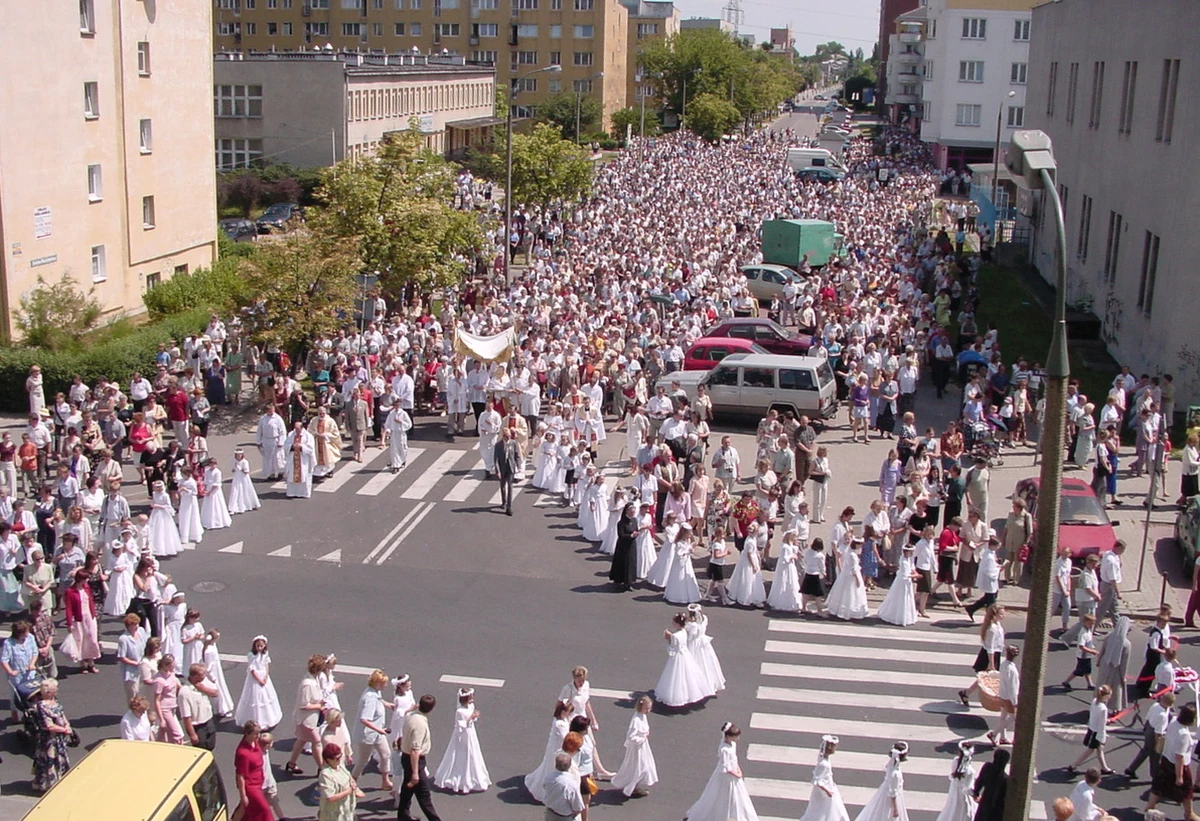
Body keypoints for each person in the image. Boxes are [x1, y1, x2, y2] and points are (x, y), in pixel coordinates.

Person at [684, 722, 758, 821]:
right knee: (721, 796)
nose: (737, 739)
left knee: (737, 796)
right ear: (728, 736)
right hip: (727, 777)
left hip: (734, 773)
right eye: (735, 736)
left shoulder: (732, 745)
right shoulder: (725, 750)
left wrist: (738, 769)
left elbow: (734, 760)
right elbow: (726, 768)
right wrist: (737, 774)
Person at [433, 687, 490, 793]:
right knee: (462, 754)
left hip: (471, 732)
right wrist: (472, 717)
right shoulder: (459, 711)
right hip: (462, 735)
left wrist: (474, 717)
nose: (473, 698)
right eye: (471, 697)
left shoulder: (470, 706)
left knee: (473, 753)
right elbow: (461, 725)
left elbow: (471, 721)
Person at [1145, 702, 1197, 819]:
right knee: (1187, 791)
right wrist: (1180, 776)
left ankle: (1150, 805)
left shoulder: (1173, 721)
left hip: (1166, 759)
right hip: (1178, 765)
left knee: (1158, 784)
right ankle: (1189, 813)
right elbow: (1179, 757)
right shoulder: (1184, 735)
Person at [397, 693, 441, 821]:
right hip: (414, 761)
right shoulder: (420, 724)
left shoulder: (411, 716)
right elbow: (415, 750)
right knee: (424, 794)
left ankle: (403, 815)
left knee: (407, 789)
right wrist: (415, 773)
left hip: (406, 757)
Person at [654, 612, 710, 707]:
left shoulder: (675, 636)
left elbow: (672, 649)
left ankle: (676, 696)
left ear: (677, 624)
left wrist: (668, 638)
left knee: (676, 676)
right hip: (685, 655)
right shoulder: (684, 632)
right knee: (688, 675)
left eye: (674, 622)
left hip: (678, 657)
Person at [351, 669, 394, 791]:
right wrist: (379, 730)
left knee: (386, 755)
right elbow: (364, 719)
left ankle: (385, 781)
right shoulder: (370, 698)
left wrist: (386, 704)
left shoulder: (375, 692)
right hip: (367, 735)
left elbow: (379, 700)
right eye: (384, 683)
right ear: (377, 683)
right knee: (363, 760)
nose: (386, 685)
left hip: (377, 733)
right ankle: (352, 782)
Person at [285, 654, 328, 775]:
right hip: (306, 720)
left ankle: (291, 763)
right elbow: (304, 705)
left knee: (302, 740)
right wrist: (319, 706)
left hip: (310, 719)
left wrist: (320, 702)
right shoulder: (308, 684)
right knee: (317, 742)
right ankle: (322, 768)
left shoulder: (312, 680)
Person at [30, 678, 73, 793]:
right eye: (55, 688)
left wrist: (67, 725)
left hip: (60, 738)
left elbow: (62, 715)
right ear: (49, 692)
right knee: (49, 760)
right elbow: (48, 725)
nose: (57, 690)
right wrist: (64, 729)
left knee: (61, 759)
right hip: (49, 739)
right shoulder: (42, 706)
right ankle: (48, 784)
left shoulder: (56, 701)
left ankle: (61, 780)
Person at [612, 696, 658, 798]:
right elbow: (631, 736)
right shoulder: (636, 720)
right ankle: (632, 788)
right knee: (640, 768)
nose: (648, 711)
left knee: (641, 767)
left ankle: (633, 787)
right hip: (637, 749)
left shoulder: (642, 716)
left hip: (642, 747)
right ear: (641, 707)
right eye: (647, 708)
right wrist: (642, 738)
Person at [526, 700, 571, 803]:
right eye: (568, 711)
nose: (569, 713)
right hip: (557, 748)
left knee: (548, 766)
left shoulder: (559, 719)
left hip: (554, 746)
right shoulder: (560, 724)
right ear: (563, 711)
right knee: (552, 767)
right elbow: (565, 738)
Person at [235, 635, 283, 729]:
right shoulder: (251, 655)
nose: (260, 648)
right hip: (255, 678)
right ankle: (255, 720)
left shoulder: (265, 653)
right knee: (255, 697)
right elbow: (252, 670)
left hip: (264, 676)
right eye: (258, 646)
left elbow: (266, 664)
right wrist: (259, 680)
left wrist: (265, 676)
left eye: (261, 646)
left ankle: (267, 719)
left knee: (266, 696)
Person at [854, 742, 910, 821]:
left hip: (884, 792)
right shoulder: (895, 774)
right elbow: (893, 793)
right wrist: (895, 808)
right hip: (891, 798)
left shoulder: (891, 765)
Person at [798, 734, 849, 821]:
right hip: (824, 792)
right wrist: (827, 791)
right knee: (824, 808)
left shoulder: (825, 759)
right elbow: (817, 781)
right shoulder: (823, 764)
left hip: (829, 786)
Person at [1127, 690, 1174, 781]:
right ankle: (1155, 775)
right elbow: (1158, 733)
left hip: (1149, 728)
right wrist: (1158, 744)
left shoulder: (1155, 705)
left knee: (1145, 751)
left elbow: (1148, 718)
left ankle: (1131, 768)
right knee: (1155, 756)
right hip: (1154, 734)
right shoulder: (1162, 716)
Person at [1067, 685, 1114, 775]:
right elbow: (1101, 726)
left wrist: (1105, 720)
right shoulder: (1103, 709)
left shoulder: (1094, 702)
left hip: (1091, 729)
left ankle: (1104, 768)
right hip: (1096, 733)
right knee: (1091, 750)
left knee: (1099, 750)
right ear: (1106, 696)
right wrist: (1102, 738)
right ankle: (1073, 765)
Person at [235, 721, 273, 821]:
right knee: (264, 810)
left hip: (258, 782)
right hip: (251, 786)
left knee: (247, 810)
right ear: (247, 733)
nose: (258, 736)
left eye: (259, 733)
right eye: (255, 734)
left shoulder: (254, 743)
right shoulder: (243, 753)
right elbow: (240, 776)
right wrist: (243, 796)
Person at [878, 543, 918, 626]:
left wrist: (914, 572)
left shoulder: (908, 559)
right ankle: (899, 616)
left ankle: (907, 616)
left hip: (906, 582)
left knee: (907, 597)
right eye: (911, 552)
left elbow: (912, 567)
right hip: (903, 583)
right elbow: (906, 575)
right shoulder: (903, 561)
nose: (912, 553)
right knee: (901, 598)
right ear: (906, 552)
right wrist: (917, 575)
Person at [180, 663, 219, 750]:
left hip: (208, 720)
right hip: (198, 726)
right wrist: (192, 735)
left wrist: (204, 689)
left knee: (211, 745)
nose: (204, 676)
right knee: (201, 749)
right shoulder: (185, 692)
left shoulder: (203, 682)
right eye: (202, 674)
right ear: (194, 676)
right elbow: (186, 717)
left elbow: (216, 693)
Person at [934, 742, 975, 821]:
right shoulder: (971, 771)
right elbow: (967, 789)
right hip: (963, 795)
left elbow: (953, 775)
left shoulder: (955, 761)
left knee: (951, 807)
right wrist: (974, 794)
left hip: (954, 790)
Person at [318, 741, 359, 821]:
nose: (339, 760)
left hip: (346, 809)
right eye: (337, 759)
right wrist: (348, 791)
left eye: (340, 757)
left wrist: (354, 785)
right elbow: (330, 797)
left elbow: (349, 776)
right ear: (328, 760)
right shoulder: (326, 774)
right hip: (333, 814)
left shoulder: (341, 766)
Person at [988, 645, 1020, 746]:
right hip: (1008, 697)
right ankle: (994, 734)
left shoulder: (1003, 664)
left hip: (1002, 694)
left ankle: (1003, 737)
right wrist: (1015, 702)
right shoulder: (1012, 670)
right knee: (1012, 717)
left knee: (1003, 716)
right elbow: (1013, 688)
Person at [542, 752, 585, 821]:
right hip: (565, 817)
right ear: (569, 765)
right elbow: (578, 806)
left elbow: (544, 787)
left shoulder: (549, 777)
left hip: (550, 813)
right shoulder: (571, 784)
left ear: (556, 765)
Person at [971, 747, 1010, 821]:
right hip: (997, 810)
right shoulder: (1005, 779)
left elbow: (979, 781)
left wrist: (976, 793)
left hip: (984, 803)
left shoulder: (987, 767)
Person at [608, 504, 638, 592]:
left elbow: (636, 529)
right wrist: (631, 535)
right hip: (623, 547)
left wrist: (635, 535)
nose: (633, 514)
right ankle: (619, 581)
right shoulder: (621, 523)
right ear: (627, 511)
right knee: (623, 563)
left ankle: (628, 583)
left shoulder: (635, 520)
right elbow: (621, 535)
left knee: (631, 563)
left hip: (632, 545)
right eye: (631, 512)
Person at [283, 422, 316, 498]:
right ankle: (292, 493)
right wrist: (292, 446)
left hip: (303, 459)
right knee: (291, 475)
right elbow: (286, 445)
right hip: (293, 459)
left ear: (302, 428)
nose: (296, 431)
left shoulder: (308, 436)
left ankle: (304, 493)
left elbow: (311, 449)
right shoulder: (291, 434)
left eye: (298, 429)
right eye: (295, 428)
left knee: (304, 475)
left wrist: (301, 447)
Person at [495, 428, 521, 516]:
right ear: (503, 437)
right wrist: (497, 471)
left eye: (509, 436)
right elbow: (495, 459)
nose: (508, 438)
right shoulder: (498, 445)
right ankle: (504, 502)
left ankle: (509, 507)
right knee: (502, 486)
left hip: (510, 467)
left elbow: (517, 455)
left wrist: (518, 466)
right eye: (506, 437)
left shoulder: (513, 443)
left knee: (510, 487)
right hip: (503, 467)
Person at [385, 404, 414, 473]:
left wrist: (401, 422)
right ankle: (396, 465)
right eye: (395, 405)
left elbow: (409, 424)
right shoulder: (391, 414)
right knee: (394, 449)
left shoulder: (403, 414)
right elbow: (387, 424)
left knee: (403, 448)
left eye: (398, 405)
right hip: (394, 433)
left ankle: (402, 460)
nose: (396, 407)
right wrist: (388, 430)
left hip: (401, 433)